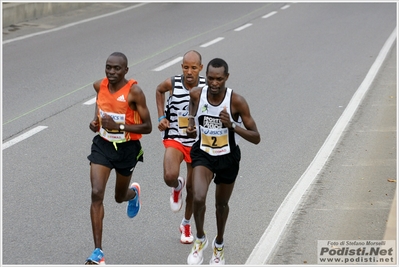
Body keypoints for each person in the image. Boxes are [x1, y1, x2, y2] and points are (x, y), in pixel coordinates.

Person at [185, 58, 260, 265]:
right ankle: (200, 239)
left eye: (219, 79)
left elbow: (256, 137)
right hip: (203, 153)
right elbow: (193, 105)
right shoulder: (197, 94)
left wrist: (233, 125)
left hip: (228, 157)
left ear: (226, 77)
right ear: (205, 77)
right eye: (210, 78)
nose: (214, 83)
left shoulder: (236, 101)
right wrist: (191, 121)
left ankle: (218, 244)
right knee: (198, 197)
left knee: (221, 204)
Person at [85, 52, 152, 265]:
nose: (111, 72)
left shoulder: (134, 92)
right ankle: (98, 252)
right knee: (96, 193)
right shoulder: (99, 85)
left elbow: (147, 127)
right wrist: (95, 121)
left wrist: (120, 126)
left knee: (118, 196)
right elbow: (100, 104)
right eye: (108, 67)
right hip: (103, 146)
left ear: (126, 71)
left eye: (117, 69)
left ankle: (132, 195)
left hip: (127, 149)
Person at [155, 50, 206, 244]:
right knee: (169, 176)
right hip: (175, 137)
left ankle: (186, 224)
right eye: (186, 67)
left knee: (194, 189)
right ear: (182, 67)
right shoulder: (173, 83)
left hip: (196, 142)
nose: (189, 71)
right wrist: (161, 117)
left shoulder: (206, 87)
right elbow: (159, 90)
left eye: (194, 67)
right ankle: (177, 186)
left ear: (200, 68)